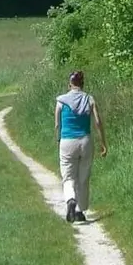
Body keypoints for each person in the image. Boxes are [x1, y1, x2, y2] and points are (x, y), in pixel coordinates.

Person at [54, 70, 107, 223]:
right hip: (85, 141)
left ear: (69, 84)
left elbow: (57, 124)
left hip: (67, 141)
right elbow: (97, 122)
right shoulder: (89, 99)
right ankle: (80, 210)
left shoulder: (61, 101)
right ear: (82, 84)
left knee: (68, 177)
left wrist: (58, 140)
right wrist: (103, 141)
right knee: (83, 177)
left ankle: (70, 199)